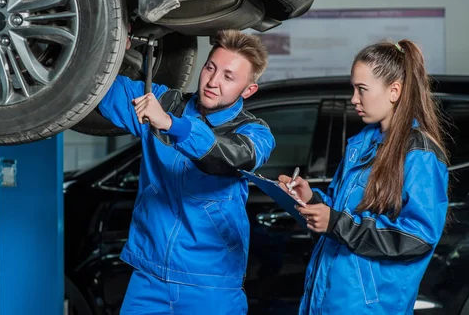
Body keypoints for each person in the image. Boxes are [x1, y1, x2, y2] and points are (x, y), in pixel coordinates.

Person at [98, 29, 276, 314]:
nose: (212, 82)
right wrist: (114, 46)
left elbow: (227, 156)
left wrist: (172, 124)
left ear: (248, 90)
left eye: (228, 77)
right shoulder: (163, 102)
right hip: (148, 277)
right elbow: (95, 87)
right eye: (210, 68)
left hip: (211, 285)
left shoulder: (254, 132)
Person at [278, 39, 449, 314]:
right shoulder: (362, 143)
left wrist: (336, 224)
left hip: (369, 304)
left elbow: (418, 237)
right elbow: (341, 210)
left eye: (362, 89)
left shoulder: (420, 153)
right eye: (353, 89)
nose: (354, 99)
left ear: (394, 91)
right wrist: (310, 197)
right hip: (332, 296)